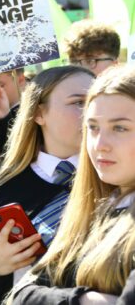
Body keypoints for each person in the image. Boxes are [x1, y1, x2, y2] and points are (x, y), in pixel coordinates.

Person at [0, 66, 95, 305]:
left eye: (95, 101)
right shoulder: (1, 192)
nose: (91, 113)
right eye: (78, 102)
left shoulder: (118, 184)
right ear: (38, 113)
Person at [10, 65, 135, 304]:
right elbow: (22, 292)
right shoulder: (91, 208)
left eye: (120, 128)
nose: (100, 144)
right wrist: (88, 300)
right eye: (93, 127)